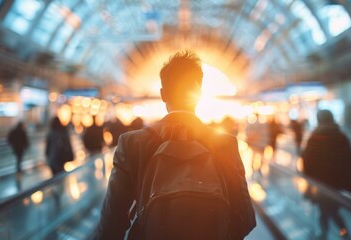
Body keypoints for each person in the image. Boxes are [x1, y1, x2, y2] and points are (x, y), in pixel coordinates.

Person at [95, 50, 256, 239]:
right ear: (199, 94)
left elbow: (111, 221)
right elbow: (245, 217)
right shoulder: (224, 144)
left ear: (163, 94)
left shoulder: (133, 144)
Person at [302, 110, 351, 240]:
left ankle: (328, 235)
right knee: (330, 210)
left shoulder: (314, 137)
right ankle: (341, 234)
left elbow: (307, 163)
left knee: (326, 210)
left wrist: (312, 179)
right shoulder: (341, 136)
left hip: (321, 185)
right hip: (339, 185)